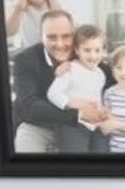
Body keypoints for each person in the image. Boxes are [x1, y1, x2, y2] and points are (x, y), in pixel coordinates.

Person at [11, 10, 125, 155]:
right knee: (25, 153)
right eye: (51, 37)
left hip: (84, 125)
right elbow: (29, 106)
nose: (60, 44)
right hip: (40, 124)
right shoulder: (26, 60)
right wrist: (79, 114)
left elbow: (115, 68)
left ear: (74, 36)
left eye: (66, 36)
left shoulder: (83, 55)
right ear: (41, 37)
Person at [46, 23, 109, 155]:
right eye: (87, 50)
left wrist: (101, 110)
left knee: (102, 152)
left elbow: (96, 97)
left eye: (97, 50)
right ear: (77, 50)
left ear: (103, 50)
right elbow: (53, 93)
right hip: (74, 124)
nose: (93, 56)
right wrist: (72, 102)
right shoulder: (70, 69)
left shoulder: (100, 74)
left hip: (95, 124)